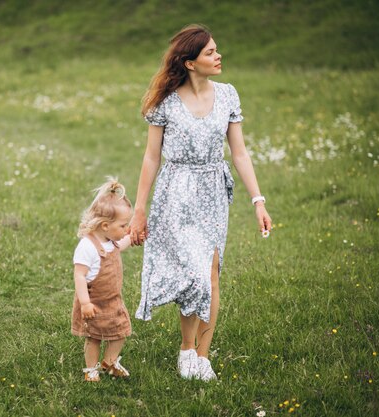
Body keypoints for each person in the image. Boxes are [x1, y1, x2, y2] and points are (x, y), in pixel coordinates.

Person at [130, 24, 272, 381]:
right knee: (192, 273)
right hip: (175, 193)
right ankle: (186, 349)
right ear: (190, 63)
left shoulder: (227, 95)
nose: (218, 56)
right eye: (210, 52)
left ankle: (201, 357)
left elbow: (239, 153)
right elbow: (151, 158)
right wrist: (139, 209)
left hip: (212, 192)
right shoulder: (165, 102)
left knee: (210, 273)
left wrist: (258, 200)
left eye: (216, 49)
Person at [71, 177, 134, 382]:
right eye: (124, 225)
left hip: (113, 300)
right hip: (94, 303)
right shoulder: (87, 246)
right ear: (105, 225)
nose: (126, 229)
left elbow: (121, 245)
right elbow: (79, 276)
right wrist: (85, 303)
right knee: (94, 337)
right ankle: (91, 370)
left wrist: (133, 237)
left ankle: (109, 362)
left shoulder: (110, 241)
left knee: (121, 331)